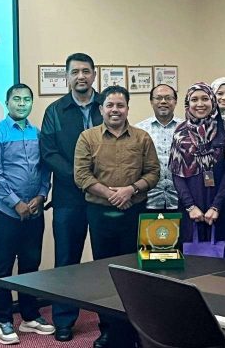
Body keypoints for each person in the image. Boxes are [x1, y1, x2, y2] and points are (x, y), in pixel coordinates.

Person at [74, 85, 160, 348]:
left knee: (135, 273)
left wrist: (130, 190)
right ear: (101, 109)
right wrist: (111, 195)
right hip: (100, 214)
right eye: (110, 105)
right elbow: (82, 175)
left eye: (120, 105)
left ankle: (136, 330)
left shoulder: (142, 138)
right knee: (106, 273)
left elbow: (153, 173)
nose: (115, 110)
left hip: (134, 214)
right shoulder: (87, 137)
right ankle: (108, 329)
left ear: (127, 108)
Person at [0, 84, 54, 345]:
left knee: (30, 264)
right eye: (16, 99)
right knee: (3, 266)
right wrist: (16, 203)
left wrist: (40, 196)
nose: (21, 103)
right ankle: (2, 321)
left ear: (31, 103)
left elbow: (46, 168)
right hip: (4, 212)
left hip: (34, 210)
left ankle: (29, 315)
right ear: (7, 102)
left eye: (26, 99)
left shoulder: (37, 134)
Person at [39, 53, 103, 341]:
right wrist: (82, 180)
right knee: (67, 261)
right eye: (75, 71)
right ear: (67, 77)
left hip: (106, 198)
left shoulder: (108, 105)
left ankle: (111, 324)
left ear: (94, 75)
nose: (81, 76)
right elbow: (49, 152)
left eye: (86, 71)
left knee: (107, 261)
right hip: (68, 198)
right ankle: (64, 320)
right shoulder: (55, 110)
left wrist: (100, 185)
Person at [169, 83, 225, 256]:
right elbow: (176, 174)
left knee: (224, 260)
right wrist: (190, 206)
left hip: (221, 204)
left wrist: (216, 206)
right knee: (192, 259)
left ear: (212, 101)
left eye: (205, 98)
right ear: (187, 104)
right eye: (194, 99)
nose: (200, 104)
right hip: (192, 206)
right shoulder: (180, 132)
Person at [135, 83, 182, 213]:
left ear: (175, 101)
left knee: (181, 234)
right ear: (151, 101)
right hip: (148, 199)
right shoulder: (139, 130)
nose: (163, 101)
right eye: (158, 98)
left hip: (181, 200)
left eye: (168, 98)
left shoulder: (186, 129)